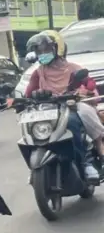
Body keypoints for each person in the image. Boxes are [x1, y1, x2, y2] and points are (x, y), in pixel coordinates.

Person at [24, 30, 104, 179]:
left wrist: (83, 90)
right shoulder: (38, 72)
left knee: (73, 122)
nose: (42, 53)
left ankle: (85, 162)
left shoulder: (73, 68)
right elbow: (29, 92)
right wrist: (27, 97)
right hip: (48, 109)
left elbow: (90, 84)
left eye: (46, 49)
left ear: (57, 48)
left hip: (71, 107)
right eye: (39, 51)